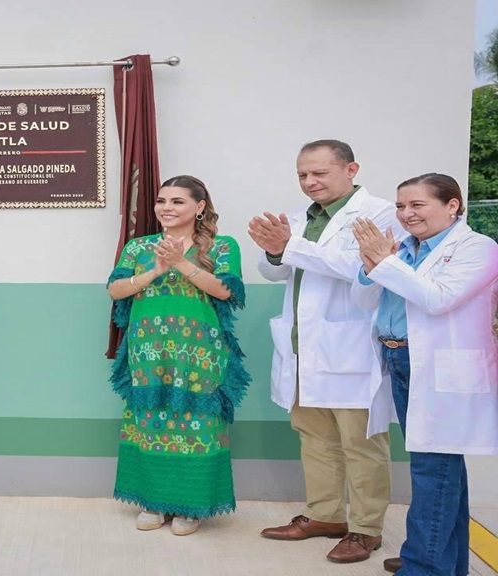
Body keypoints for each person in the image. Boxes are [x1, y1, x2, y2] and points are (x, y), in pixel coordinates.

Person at [250, 139, 402, 564]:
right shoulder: (301, 218)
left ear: (351, 169)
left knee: (362, 443)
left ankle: (366, 529)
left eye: (319, 173)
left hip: (351, 346)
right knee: (314, 438)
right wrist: (275, 250)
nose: (309, 181)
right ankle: (325, 516)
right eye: (302, 174)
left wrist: (291, 247)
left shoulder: (380, 213)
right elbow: (276, 271)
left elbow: (357, 267)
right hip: (302, 346)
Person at [352, 173, 498, 576]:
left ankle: (423, 565)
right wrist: (372, 266)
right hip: (399, 361)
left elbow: (438, 299)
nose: (406, 213)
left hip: (439, 369)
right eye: (401, 205)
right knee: (442, 467)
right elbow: (362, 298)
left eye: (417, 205)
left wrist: (384, 262)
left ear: (452, 206)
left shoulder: (478, 248)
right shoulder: (402, 249)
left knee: (433, 468)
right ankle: (445, 560)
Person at [106, 175, 249, 536]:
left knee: (195, 423)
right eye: (161, 201)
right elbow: (115, 289)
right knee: (150, 421)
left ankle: (191, 506)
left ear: (199, 207)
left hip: (199, 352)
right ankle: (152, 501)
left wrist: (181, 263)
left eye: (177, 201)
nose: (166, 208)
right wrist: (155, 270)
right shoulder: (139, 247)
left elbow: (225, 291)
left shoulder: (221, 246)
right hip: (148, 349)